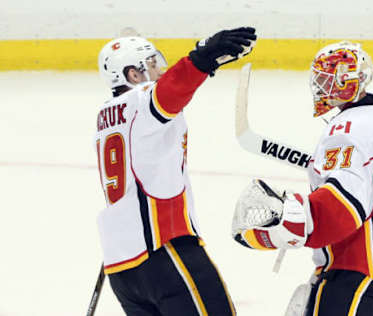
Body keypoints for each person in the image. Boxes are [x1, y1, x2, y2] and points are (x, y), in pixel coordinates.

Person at [232, 41, 373, 315]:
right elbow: (368, 166)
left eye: (324, 79)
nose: (318, 86)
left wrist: (292, 220)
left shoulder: (347, 132)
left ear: (344, 82)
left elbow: (341, 211)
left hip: (360, 268)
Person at [94, 27, 256, 315]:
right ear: (133, 75)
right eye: (153, 65)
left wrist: (203, 67)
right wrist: (201, 58)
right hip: (164, 251)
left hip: (122, 268)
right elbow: (171, 90)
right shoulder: (142, 99)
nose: (161, 71)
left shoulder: (106, 114)